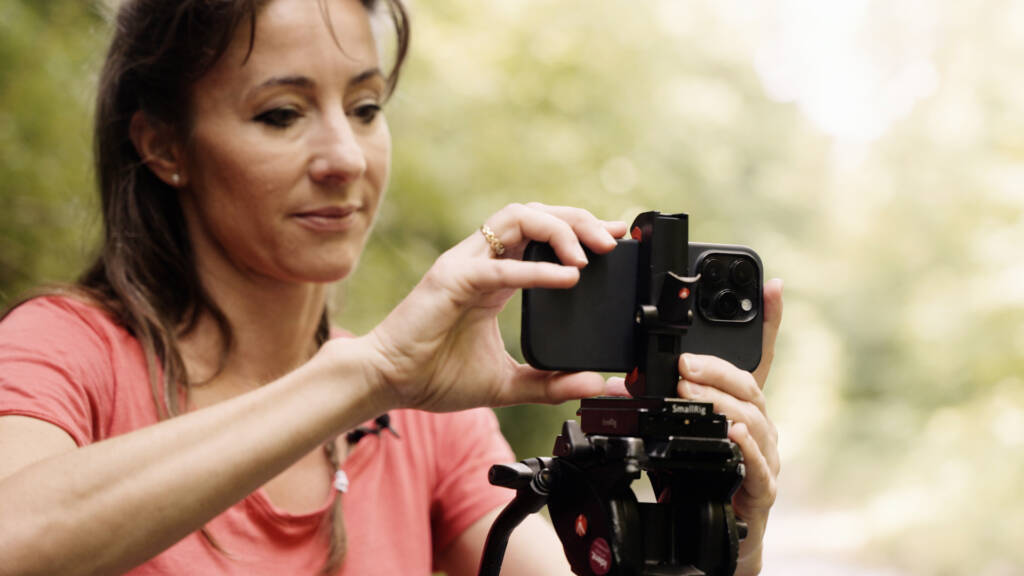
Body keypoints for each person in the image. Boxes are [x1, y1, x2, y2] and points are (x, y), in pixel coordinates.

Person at [0, 0, 783, 574]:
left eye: (367, 106)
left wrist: (717, 532)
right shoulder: (66, 354)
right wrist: (367, 376)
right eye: (280, 114)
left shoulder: (430, 423)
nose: (345, 156)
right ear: (163, 144)